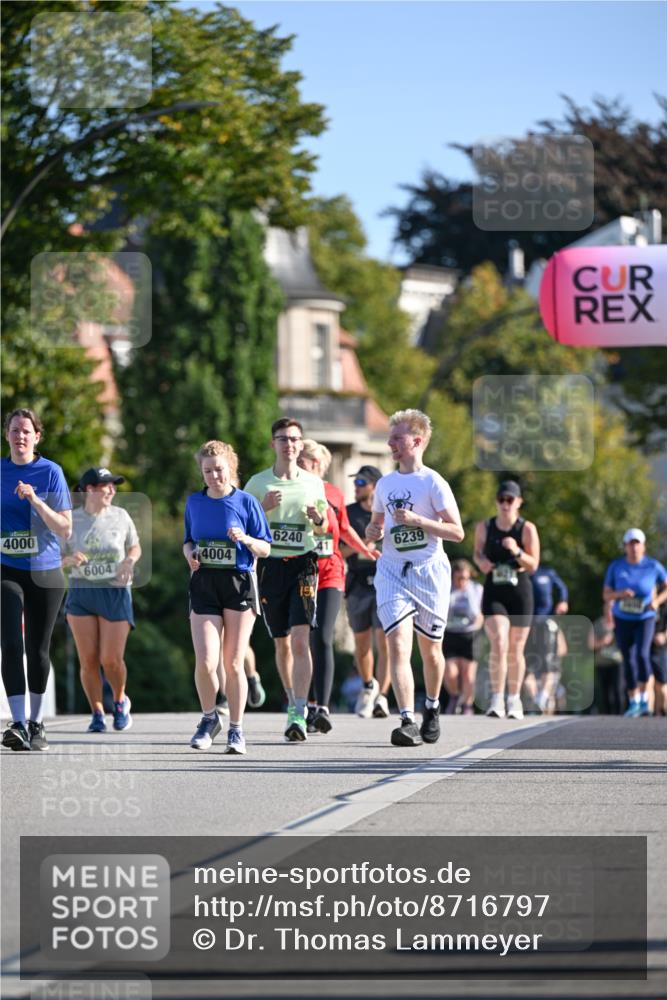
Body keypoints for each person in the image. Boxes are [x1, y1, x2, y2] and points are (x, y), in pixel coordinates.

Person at [366, 409, 464, 747]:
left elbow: (457, 532)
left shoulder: (433, 482)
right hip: (393, 571)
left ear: (417, 441)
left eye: (398, 438)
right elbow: (377, 525)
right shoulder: (385, 483)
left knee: (431, 651)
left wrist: (419, 521)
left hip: (429, 573)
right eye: (391, 437)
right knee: (396, 645)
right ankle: (406, 719)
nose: (391, 443)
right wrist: (373, 529)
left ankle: (432, 708)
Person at [184, 440, 271, 754]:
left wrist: (246, 539)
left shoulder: (246, 502)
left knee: (233, 663)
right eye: (207, 471)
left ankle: (236, 729)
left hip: (238, 582)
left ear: (230, 469)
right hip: (205, 582)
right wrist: (191, 555)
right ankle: (209, 718)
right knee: (207, 661)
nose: (213, 476)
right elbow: (188, 542)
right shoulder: (194, 502)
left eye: (219, 469)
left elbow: (266, 547)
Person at [244, 418, 327, 741]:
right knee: (281, 642)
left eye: (294, 439)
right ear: (273, 444)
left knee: (300, 639)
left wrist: (318, 519)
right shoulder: (257, 483)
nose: (289, 445)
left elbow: (322, 529)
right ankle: (292, 698)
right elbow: (243, 529)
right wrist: (262, 509)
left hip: (304, 563)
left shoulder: (312, 482)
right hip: (270, 566)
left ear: (300, 444)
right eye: (283, 439)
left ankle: (299, 710)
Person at [1, 408, 72, 752]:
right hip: (6, 569)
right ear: (7, 435)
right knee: (11, 645)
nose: (20, 436)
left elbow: (65, 528)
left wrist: (34, 499)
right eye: (14, 430)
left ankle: (37, 723)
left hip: (44, 570)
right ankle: (16, 723)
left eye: (26, 431)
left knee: (38, 650)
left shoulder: (51, 472)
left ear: (37, 437)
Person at [297, 440, 377, 734]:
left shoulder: (333, 493)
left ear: (321, 465)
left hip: (330, 572)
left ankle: (322, 708)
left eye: (310, 459)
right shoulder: (292, 490)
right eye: (303, 458)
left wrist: (365, 549)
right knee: (302, 640)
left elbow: (344, 529)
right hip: (300, 572)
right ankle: (302, 705)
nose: (304, 463)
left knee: (324, 637)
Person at [62, 467, 141, 733]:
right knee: (88, 659)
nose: (111, 490)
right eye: (104, 485)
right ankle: (97, 712)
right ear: (88, 490)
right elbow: (54, 555)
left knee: (111, 659)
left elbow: (135, 545)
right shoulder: (71, 520)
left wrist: (130, 560)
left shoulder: (121, 516)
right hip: (81, 592)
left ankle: (119, 701)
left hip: (115, 592)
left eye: (113, 485)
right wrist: (69, 560)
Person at [473, 480, 540, 720]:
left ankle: (514, 699)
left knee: (515, 649)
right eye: (501, 499)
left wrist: (517, 551)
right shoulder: (485, 526)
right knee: (499, 641)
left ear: (519, 502)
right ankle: (496, 699)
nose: (505, 504)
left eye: (510, 500)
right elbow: (477, 553)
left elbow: (534, 564)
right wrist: (481, 562)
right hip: (494, 589)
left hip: (520, 590)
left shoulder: (526, 528)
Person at [341, 465, 390, 719]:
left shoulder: (388, 512)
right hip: (357, 583)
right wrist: (362, 545)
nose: (356, 486)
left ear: (374, 485)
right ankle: (368, 686)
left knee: (385, 643)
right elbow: (338, 550)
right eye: (356, 482)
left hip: (386, 583)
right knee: (361, 644)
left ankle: (382, 696)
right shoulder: (348, 513)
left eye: (361, 482)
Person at [603, 528, 667, 718]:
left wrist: (656, 601)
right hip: (623, 618)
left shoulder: (653, 566)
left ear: (643, 545)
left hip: (645, 617)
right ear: (625, 546)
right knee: (628, 659)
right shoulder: (616, 566)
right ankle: (634, 700)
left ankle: (644, 698)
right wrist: (620, 594)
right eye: (630, 543)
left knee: (642, 654)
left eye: (637, 543)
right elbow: (606, 594)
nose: (634, 547)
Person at [523, 564, 569, 713]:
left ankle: (542, 699)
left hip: (545, 623)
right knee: (524, 666)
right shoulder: (519, 573)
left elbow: (562, 588)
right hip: (524, 624)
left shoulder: (547, 573)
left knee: (548, 663)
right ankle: (535, 700)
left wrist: (563, 601)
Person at [443, 560, 484, 715]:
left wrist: (478, 629)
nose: (462, 582)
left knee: (468, 674)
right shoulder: (446, 588)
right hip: (450, 632)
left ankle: (467, 705)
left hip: (470, 633)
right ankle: (454, 696)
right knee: (450, 672)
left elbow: (481, 612)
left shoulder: (477, 589)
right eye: (459, 578)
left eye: (465, 578)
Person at [588, 602, 624, 715]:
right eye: (608, 608)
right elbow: (590, 644)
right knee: (605, 692)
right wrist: (603, 642)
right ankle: (607, 716)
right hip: (602, 663)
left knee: (618, 690)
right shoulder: (598, 624)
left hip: (617, 662)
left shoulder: (621, 623)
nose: (610, 611)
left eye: (612, 609)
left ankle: (620, 714)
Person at [650, 598, 667, 717]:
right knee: (648, 680)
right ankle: (651, 711)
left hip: (661, 648)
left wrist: (664, 636)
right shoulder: (644, 601)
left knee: (662, 683)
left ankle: (663, 709)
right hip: (646, 646)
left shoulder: (664, 605)